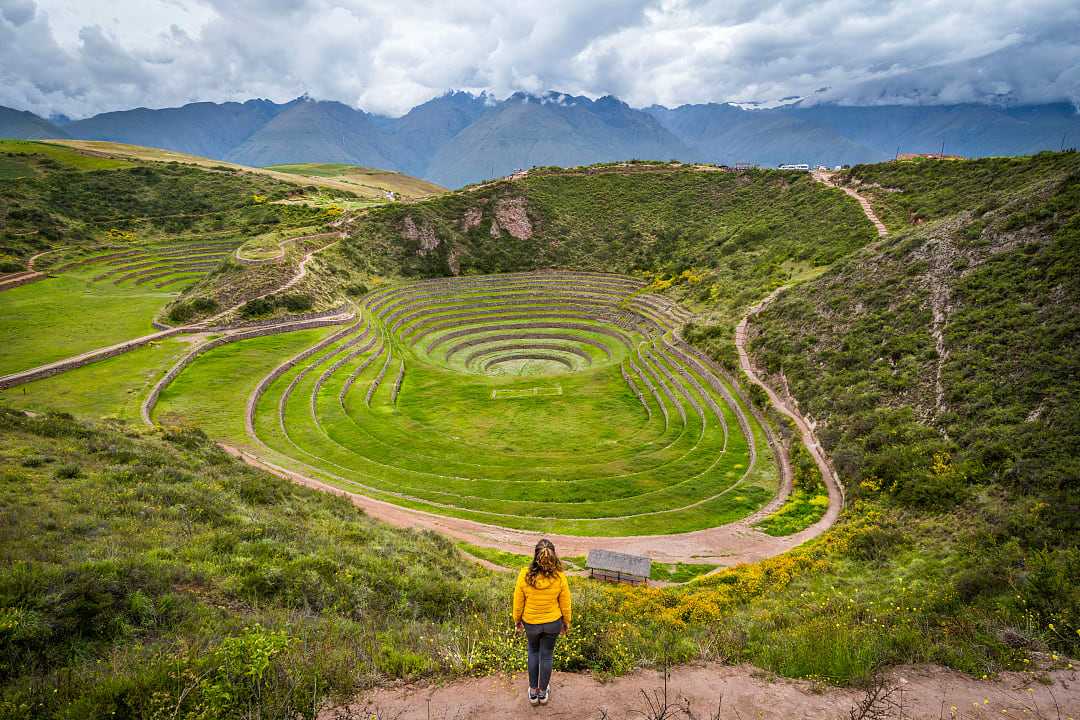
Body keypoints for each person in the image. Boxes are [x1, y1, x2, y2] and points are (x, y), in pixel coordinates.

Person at [513, 538, 572, 706]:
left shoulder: (524, 574)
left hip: (531, 622)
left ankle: (533, 693)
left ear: (535, 556)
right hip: (553, 622)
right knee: (546, 655)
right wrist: (566, 622)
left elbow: (518, 602)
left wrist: (517, 620)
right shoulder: (560, 576)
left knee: (533, 652)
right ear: (553, 556)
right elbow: (565, 604)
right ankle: (543, 692)